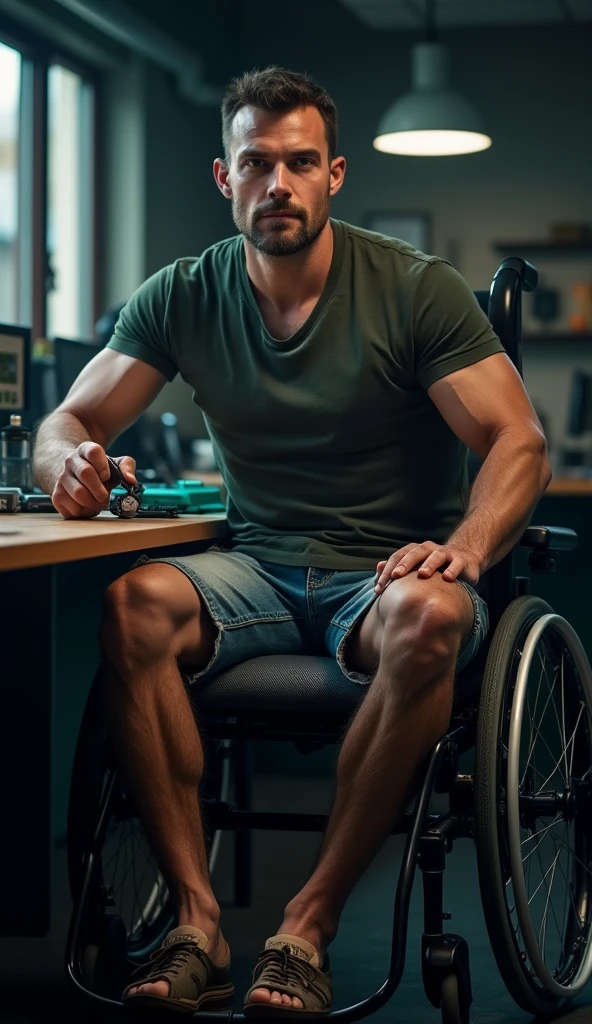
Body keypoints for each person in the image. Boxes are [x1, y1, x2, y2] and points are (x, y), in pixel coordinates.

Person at [33, 67, 551, 1017]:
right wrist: (67, 460)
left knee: (433, 616)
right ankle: (196, 926)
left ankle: (304, 930)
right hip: (257, 568)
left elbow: (517, 439)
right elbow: (66, 419)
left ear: (335, 175)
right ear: (223, 178)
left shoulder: (414, 289)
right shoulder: (185, 294)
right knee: (133, 602)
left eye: (300, 162)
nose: (280, 182)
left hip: (386, 573)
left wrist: (469, 546)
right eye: (257, 162)